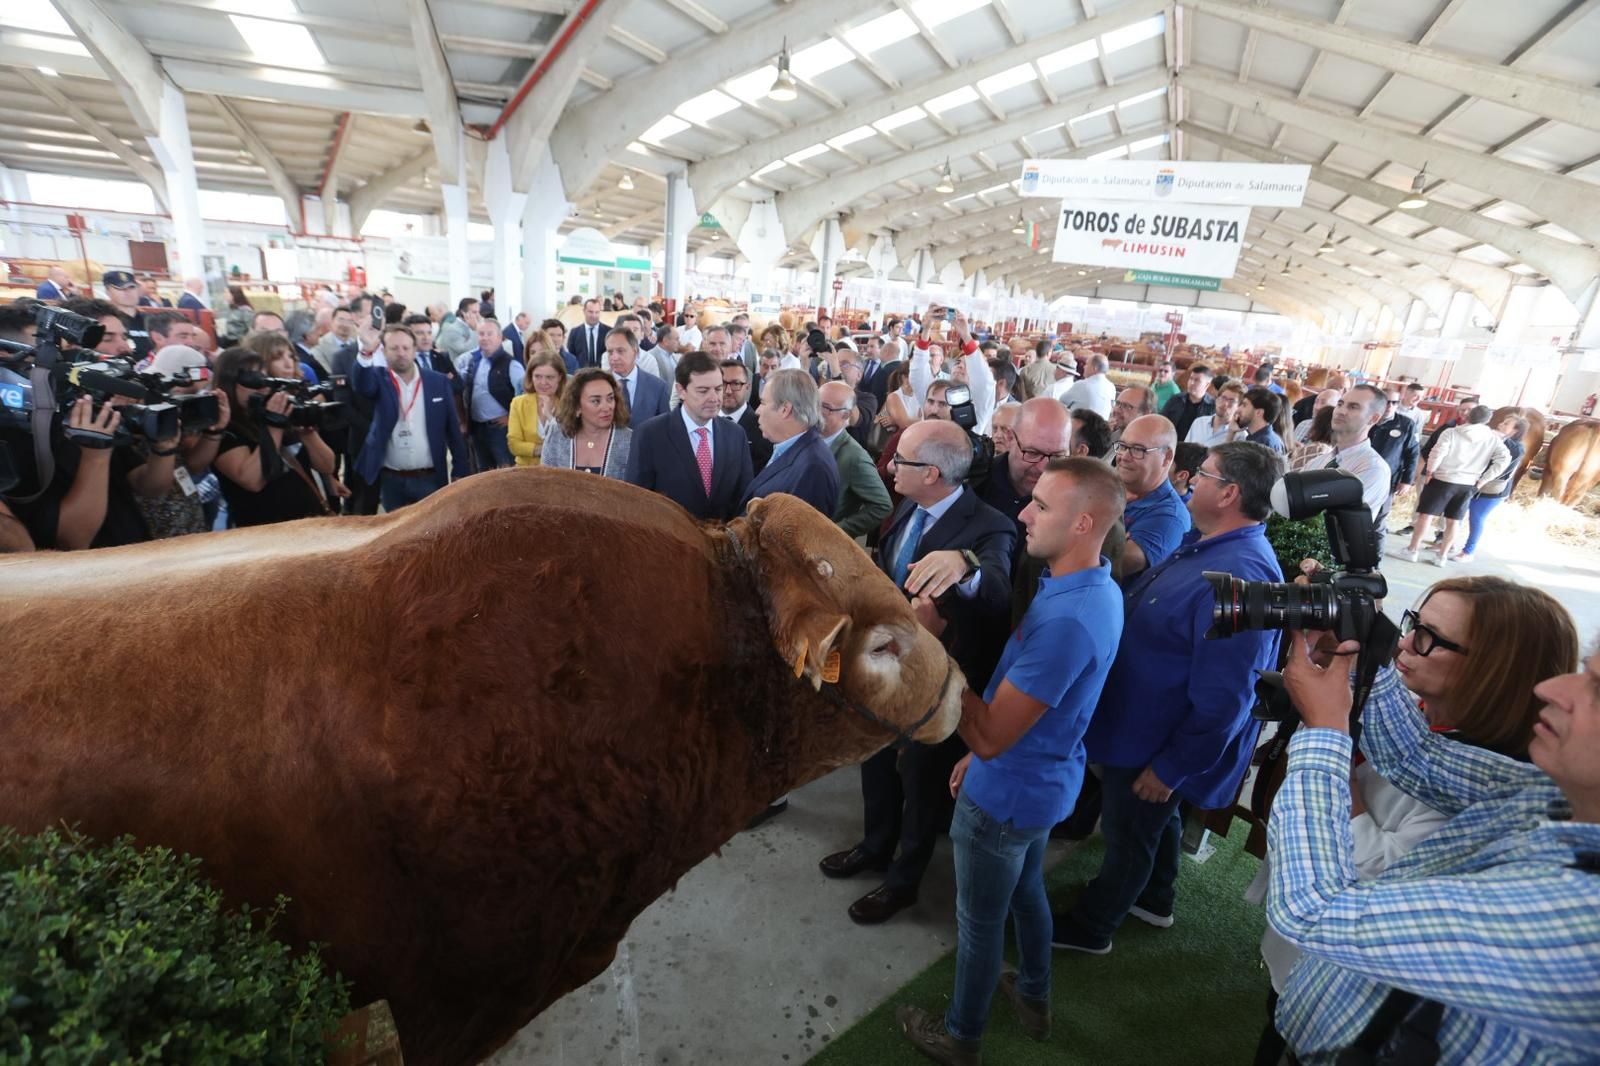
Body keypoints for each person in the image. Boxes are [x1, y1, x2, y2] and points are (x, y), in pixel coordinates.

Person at [1250, 575, 1579, 1064]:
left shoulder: (1574, 909)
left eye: (1593, 683)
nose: (1556, 689)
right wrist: (1357, 644)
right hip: (1324, 1008)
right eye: (1412, 626)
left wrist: (1326, 732)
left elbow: (1316, 911)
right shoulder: (1542, 795)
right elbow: (1416, 757)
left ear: (1497, 669)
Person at [895, 457, 1127, 1065]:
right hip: (1040, 781)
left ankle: (961, 1037)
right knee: (1027, 894)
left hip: (1008, 794)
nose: (1024, 513)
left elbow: (993, 735)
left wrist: (930, 642)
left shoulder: (1069, 621)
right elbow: (1030, 711)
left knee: (978, 926)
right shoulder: (1094, 587)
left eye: (1043, 507)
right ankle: (1034, 994)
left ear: (1083, 524)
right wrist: (984, 757)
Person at [1053, 441, 1286, 953]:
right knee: (1150, 827)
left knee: (1129, 836)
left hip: (1153, 746)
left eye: (1201, 475)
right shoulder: (1213, 545)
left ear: (1228, 493)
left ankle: (1093, 928)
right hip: (1140, 730)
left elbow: (1227, 698)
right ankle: (1154, 899)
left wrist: (1172, 767)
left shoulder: (1242, 577)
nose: (1189, 482)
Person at [822, 420, 1015, 929]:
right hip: (886, 668)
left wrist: (966, 565)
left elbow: (996, 587)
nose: (887, 466)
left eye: (899, 461)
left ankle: (903, 882)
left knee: (920, 782)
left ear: (931, 472)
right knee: (876, 763)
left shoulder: (988, 526)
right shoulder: (910, 505)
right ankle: (873, 847)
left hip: (934, 682)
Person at [212, 346, 340, 526]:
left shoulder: (278, 412)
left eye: (264, 375)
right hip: (266, 533)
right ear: (230, 382)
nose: (262, 385)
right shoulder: (225, 430)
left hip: (310, 525)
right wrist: (274, 426)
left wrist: (307, 433)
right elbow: (252, 481)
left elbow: (327, 466)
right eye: (253, 378)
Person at [351, 324, 470, 510]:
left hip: (430, 477)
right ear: (384, 351)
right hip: (392, 479)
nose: (401, 353)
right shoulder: (379, 379)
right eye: (394, 348)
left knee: (432, 531)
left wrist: (460, 468)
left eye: (406, 348)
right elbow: (361, 385)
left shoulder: (437, 382)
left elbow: (452, 429)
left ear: (414, 350)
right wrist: (366, 350)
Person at [625, 352, 751, 521]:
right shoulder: (650, 435)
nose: (714, 398)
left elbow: (744, 498)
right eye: (703, 390)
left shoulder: (736, 435)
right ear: (681, 390)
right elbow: (637, 501)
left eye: (718, 389)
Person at [1396, 405, 1510, 566]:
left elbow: (1438, 452)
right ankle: (1441, 557)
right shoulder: (1492, 439)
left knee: (1426, 515)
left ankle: (1413, 550)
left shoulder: (1452, 432)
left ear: (1468, 416)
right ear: (1488, 420)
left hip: (1442, 479)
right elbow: (1504, 459)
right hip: (1468, 483)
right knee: (1454, 521)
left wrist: (1430, 471)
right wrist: (1484, 479)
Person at [739, 368, 839, 518]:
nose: (757, 411)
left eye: (763, 403)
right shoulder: (792, 449)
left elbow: (797, 536)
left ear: (785, 409)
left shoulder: (813, 468)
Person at [1112, 414, 1189, 584]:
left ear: (1167, 456)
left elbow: (1114, 563)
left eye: (1138, 449)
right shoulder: (1105, 485)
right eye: (1123, 446)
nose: (1124, 456)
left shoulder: (1171, 518)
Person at [818, 381, 891, 538]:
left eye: (825, 407)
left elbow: (882, 506)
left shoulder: (854, 457)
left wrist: (837, 531)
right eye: (814, 403)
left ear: (846, 415)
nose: (815, 411)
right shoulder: (808, 438)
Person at [1453, 414, 1529, 562]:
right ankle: (1449, 543)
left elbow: (1501, 465)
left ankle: (1468, 551)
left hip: (1493, 489)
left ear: (1515, 431)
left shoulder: (1516, 447)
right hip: (1476, 483)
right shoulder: (1496, 439)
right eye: (1503, 421)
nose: (1501, 424)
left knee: (1477, 518)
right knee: (1458, 514)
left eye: (1507, 424)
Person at [540, 367, 633, 477]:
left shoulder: (629, 440)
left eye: (610, 398)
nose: (606, 407)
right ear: (577, 406)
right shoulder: (557, 433)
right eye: (596, 401)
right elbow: (545, 482)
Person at [462, 319, 525, 472]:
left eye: (489, 334)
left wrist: (511, 417)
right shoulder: (473, 362)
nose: (485, 338)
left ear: (499, 337)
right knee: (483, 474)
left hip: (500, 430)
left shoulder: (512, 364)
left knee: (506, 473)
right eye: (481, 334)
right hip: (478, 429)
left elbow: (524, 397)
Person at [507, 352, 566, 469]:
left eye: (549, 377)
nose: (543, 382)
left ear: (559, 377)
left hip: (560, 471)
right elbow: (514, 445)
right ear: (531, 376)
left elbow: (568, 443)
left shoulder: (568, 404)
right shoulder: (518, 403)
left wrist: (550, 416)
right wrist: (546, 449)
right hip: (525, 470)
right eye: (538, 376)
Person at [604, 326, 669, 423]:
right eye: (610, 352)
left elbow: (665, 426)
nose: (614, 357)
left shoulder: (658, 387)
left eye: (620, 351)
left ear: (635, 352)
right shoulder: (597, 385)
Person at [717, 358, 770, 475]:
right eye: (722, 384)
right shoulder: (703, 422)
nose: (728, 391)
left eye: (736, 383)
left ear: (748, 387)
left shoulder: (763, 428)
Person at [1368, 391, 1421, 502]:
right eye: (1387, 402)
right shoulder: (1365, 419)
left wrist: (1407, 480)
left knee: (1381, 511)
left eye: (1394, 402)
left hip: (1389, 477)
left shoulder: (1407, 424)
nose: (1390, 406)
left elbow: (1413, 453)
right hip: (1362, 472)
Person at [100, 270, 152, 361]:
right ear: (108, 292)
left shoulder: (151, 319)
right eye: (119, 288)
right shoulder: (105, 323)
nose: (127, 292)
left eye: (131, 287)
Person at [1161, 363, 1214, 440]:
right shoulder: (1175, 399)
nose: (1191, 383)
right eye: (1191, 379)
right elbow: (1162, 420)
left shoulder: (1212, 406)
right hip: (1171, 443)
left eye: (1197, 380)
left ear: (1207, 385)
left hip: (1196, 447)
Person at [1185, 380, 1242, 447]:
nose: (1225, 404)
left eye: (1231, 401)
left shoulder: (1240, 435)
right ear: (1217, 399)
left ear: (1239, 407)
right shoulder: (1199, 422)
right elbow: (1185, 451)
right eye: (1223, 398)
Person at [1061, 353, 1117, 417]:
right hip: (1101, 426)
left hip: (1080, 425)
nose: (1084, 367)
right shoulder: (1112, 387)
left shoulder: (1082, 385)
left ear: (1095, 368)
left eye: (1087, 364)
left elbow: (1062, 400)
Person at [1237, 387, 1287, 454]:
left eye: (1244, 405)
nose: (1238, 409)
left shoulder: (1261, 445)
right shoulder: (1261, 438)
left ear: (1259, 412)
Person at [566, 299, 606, 369]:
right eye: (590, 312)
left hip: (603, 374)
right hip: (581, 375)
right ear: (584, 311)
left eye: (597, 312)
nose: (594, 315)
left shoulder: (609, 332)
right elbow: (572, 356)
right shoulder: (574, 333)